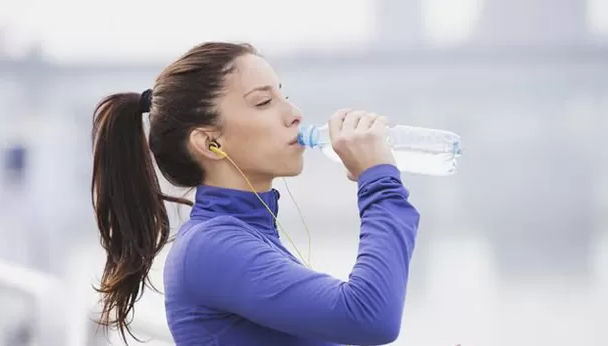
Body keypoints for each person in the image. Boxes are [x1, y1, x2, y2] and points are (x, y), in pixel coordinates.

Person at [91, 42, 420, 346]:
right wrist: (378, 183)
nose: (294, 113)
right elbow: (368, 318)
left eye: (282, 95)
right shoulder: (211, 247)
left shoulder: (244, 235)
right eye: (264, 102)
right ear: (209, 143)